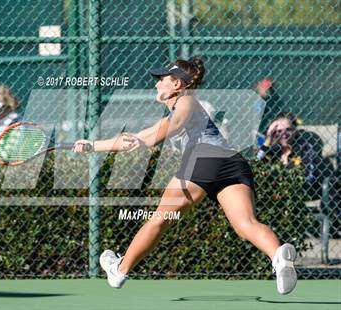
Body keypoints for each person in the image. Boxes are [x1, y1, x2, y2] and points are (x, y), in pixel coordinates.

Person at [73, 57, 297, 294]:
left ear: (177, 84)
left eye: (162, 80)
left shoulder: (186, 100)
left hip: (203, 159)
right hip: (232, 162)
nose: (157, 84)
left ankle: (120, 269)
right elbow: (144, 136)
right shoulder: (176, 110)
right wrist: (92, 145)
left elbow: (173, 125)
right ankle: (278, 257)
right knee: (246, 225)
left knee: (160, 219)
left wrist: (149, 138)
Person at [256, 112, 327, 199]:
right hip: (274, 197)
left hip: (300, 195)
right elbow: (255, 166)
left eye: (288, 129)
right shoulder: (272, 151)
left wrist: (284, 190)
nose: (284, 134)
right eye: (279, 131)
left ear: (295, 131)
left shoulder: (305, 147)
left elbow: (309, 177)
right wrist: (267, 141)